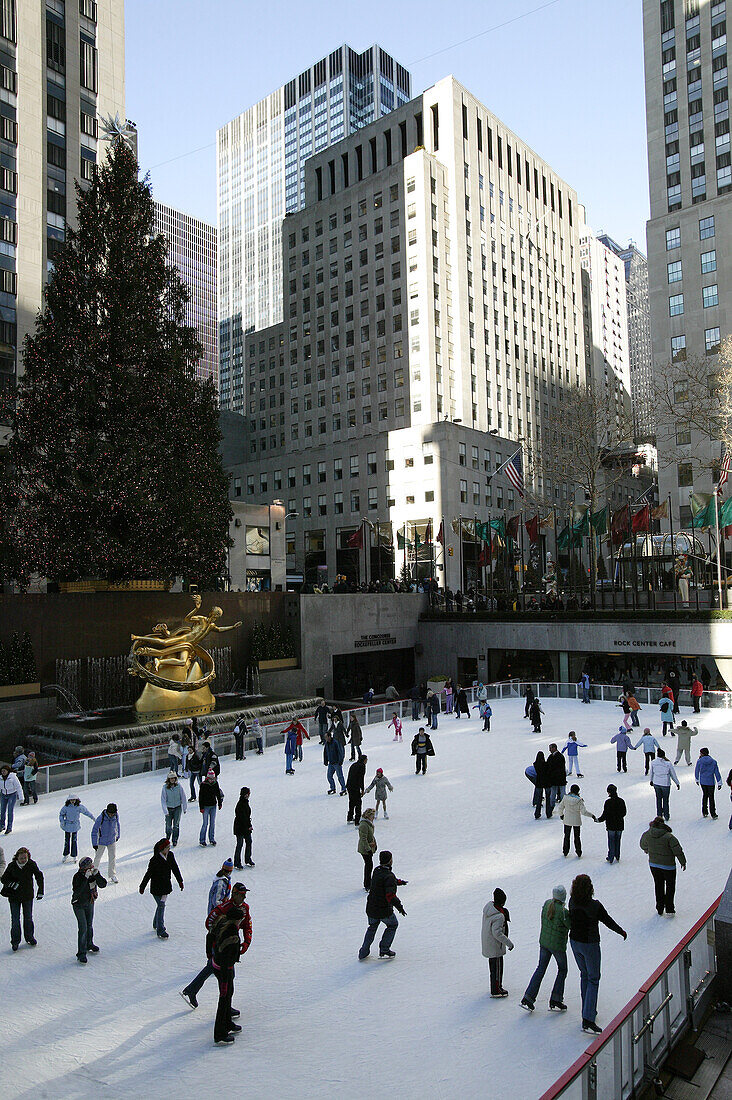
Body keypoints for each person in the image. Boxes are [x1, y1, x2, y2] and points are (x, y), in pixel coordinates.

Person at [568, 874, 627, 1034]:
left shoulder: (572, 901)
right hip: (590, 945)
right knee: (593, 978)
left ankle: (587, 1011)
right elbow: (607, 920)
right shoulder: (595, 906)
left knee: (584, 975)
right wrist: (620, 931)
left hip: (574, 943)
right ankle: (588, 1018)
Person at [180, 882, 250, 1009]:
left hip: (229, 946)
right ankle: (225, 1007)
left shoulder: (245, 908)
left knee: (212, 968)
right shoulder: (223, 908)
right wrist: (220, 937)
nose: (244, 897)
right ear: (234, 894)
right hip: (221, 947)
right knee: (227, 976)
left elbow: (247, 925)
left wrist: (246, 942)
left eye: (245, 895)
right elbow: (209, 923)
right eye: (241, 894)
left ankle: (192, 990)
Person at [520, 886, 571, 1012]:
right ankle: (556, 998)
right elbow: (570, 925)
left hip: (544, 943)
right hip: (557, 946)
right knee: (563, 969)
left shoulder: (547, 904)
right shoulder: (564, 912)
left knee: (541, 968)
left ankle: (528, 996)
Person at [358, 850, 407, 960]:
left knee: (372, 927)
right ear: (390, 861)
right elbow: (390, 896)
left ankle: (363, 951)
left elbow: (383, 881)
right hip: (383, 910)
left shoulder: (377, 870)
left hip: (371, 908)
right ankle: (384, 949)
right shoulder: (388, 876)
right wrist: (400, 907)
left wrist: (399, 882)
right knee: (393, 924)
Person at [210, 903, 247, 1044]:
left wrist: (209, 954)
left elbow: (210, 937)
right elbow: (226, 961)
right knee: (224, 998)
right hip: (224, 969)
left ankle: (227, 1023)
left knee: (229, 994)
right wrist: (224, 983)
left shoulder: (222, 922)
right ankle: (219, 1034)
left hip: (217, 964)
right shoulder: (232, 935)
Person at [138, 837, 184, 939]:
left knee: (160, 905)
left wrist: (180, 881)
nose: (169, 849)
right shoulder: (154, 860)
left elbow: (175, 868)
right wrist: (142, 886)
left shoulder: (170, 856)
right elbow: (148, 874)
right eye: (167, 847)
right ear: (162, 849)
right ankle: (160, 929)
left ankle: (156, 924)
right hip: (156, 888)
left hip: (165, 887)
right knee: (161, 905)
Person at [639, 817, 686, 915]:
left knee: (658, 885)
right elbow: (677, 850)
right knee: (670, 886)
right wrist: (683, 862)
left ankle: (660, 908)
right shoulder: (669, 837)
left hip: (654, 865)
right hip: (668, 866)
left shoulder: (647, 834)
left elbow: (643, 845)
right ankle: (669, 909)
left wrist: (649, 849)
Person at [0, 846, 43, 951]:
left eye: (25, 858)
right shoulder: (12, 866)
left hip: (27, 896)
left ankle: (29, 937)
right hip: (14, 897)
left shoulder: (31, 864)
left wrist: (40, 890)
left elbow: (39, 876)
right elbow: (4, 879)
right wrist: (12, 884)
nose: (23, 860)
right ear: (17, 858)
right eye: (21, 858)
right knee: (15, 919)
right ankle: (15, 941)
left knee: (28, 917)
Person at [71, 856, 106, 963]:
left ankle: (89, 944)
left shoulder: (92, 875)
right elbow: (78, 891)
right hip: (79, 904)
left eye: (91, 864)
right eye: (89, 865)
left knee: (89, 925)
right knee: (83, 928)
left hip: (90, 902)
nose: (91, 866)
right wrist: (85, 879)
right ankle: (81, 953)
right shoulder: (77, 877)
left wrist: (97, 875)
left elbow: (103, 884)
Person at [481, 887, 514, 997]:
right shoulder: (499, 916)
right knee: (497, 968)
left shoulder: (489, 909)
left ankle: (495, 987)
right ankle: (496, 989)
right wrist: (508, 943)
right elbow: (497, 933)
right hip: (495, 946)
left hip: (489, 944)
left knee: (493, 968)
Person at [555, 784, 596, 858]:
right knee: (577, 837)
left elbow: (560, 808)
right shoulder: (579, 800)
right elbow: (584, 812)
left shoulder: (565, 798)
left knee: (566, 836)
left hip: (567, 820)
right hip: (576, 821)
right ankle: (578, 851)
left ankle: (565, 851)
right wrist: (592, 816)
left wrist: (561, 815)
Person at [596, 784, 627, 864]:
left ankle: (611, 856)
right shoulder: (621, 801)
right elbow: (624, 813)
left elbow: (605, 814)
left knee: (611, 841)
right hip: (620, 824)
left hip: (611, 825)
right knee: (618, 840)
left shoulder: (608, 802)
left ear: (609, 792)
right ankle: (617, 855)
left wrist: (599, 820)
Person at [59, 797, 95, 863]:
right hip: (67, 825)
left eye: (74, 800)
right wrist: (62, 821)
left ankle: (74, 855)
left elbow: (86, 812)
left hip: (75, 825)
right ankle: (66, 854)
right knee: (67, 840)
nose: (72, 801)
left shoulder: (79, 807)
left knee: (74, 840)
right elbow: (61, 814)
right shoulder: (66, 807)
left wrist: (92, 818)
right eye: (71, 800)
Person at [91, 803, 120, 883]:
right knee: (98, 857)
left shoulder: (116, 816)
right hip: (101, 841)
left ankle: (112, 874)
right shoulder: (101, 818)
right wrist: (94, 843)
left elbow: (118, 825)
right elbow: (94, 830)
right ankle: (93, 872)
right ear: (107, 811)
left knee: (112, 857)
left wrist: (118, 835)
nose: (112, 815)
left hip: (111, 840)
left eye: (113, 813)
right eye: (110, 813)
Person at [649, 749, 679, 821]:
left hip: (656, 783)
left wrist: (651, 780)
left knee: (658, 799)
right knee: (665, 800)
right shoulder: (667, 763)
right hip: (665, 783)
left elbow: (651, 772)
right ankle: (666, 815)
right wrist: (677, 783)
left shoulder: (653, 762)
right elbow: (672, 774)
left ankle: (659, 815)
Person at [694, 747, 722, 819]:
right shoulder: (713, 762)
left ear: (702, 753)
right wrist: (719, 782)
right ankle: (713, 813)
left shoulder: (699, 761)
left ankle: (704, 811)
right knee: (711, 797)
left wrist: (697, 779)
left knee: (705, 795)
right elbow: (717, 773)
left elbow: (697, 771)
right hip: (711, 782)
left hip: (703, 781)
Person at [199, 770, 224, 846]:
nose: (211, 780)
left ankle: (211, 839)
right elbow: (201, 797)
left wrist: (220, 803)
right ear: (207, 778)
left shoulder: (215, 784)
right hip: (205, 806)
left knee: (212, 823)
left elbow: (218, 794)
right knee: (205, 823)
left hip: (213, 805)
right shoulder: (203, 785)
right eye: (210, 778)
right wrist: (201, 807)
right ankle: (202, 840)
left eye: (213, 778)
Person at [161, 771, 187, 847]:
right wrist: (165, 811)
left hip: (177, 808)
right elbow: (163, 800)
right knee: (168, 825)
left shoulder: (179, 786)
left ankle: (175, 839)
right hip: (169, 808)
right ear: (168, 779)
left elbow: (183, 797)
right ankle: (168, 836)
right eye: (171, 778)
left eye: (173, 778)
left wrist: (184, 807)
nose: (172, 780)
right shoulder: (165, 788)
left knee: (176, 825)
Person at [233, 787, 254, 869]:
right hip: (240, 827)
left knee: (248, 842)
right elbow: (243, 817)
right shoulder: (241, 804)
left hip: (244, 827)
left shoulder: (245, 802)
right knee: (240, 844)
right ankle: (237, 862)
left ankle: (248, 859)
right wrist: (248, 826)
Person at [357, 807, 377, 889]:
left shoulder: (368, 823)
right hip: (365, 849)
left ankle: (368, 882)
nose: (373, 818)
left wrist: (375, 844)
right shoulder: (364, 825)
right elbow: (363, 838)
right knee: (369, 865)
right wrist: (368, 849)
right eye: (372, 816)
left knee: (369, 865)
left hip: (368, 848)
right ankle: (367, 884)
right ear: (368, 816)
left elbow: (371, 836)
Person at [0, 764, 23, 835]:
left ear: (8, 771)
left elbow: (18, 787)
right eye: (2, 771)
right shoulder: (0, 778)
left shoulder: (13, 777)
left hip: (12, 795)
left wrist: (21, 797)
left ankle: (9, 827)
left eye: (4, 771)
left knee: (10, 811)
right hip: (3, 794)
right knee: (2, 810)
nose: (3, 772)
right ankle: (2, 825)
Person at [346, 753, 368, 826]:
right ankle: (357, 821)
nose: (367, 761)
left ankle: (349, 818)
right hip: (355, 787)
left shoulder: (354, 765)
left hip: (349, 786)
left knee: (351, 802)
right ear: (364, 760)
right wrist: (362, 789)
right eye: (366, 759)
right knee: (358, 803)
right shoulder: (362, 766)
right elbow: (361, 778)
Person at [545, 744, 566, 815]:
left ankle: (552, 808)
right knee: (561, 794)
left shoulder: (554, 757)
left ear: (554, 748)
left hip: (555, 780)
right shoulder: (559, 756)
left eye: (550, 748)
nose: (549, 750)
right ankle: (563, 809)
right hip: (560, 780)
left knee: (554, 794)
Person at [531, 751, 551, 820]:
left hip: (539, 782)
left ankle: (537, 813)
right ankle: (548, 813)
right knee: (548, 798)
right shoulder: (546, 764)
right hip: (547, 782)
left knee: (539, 799)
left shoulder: (535, 764)